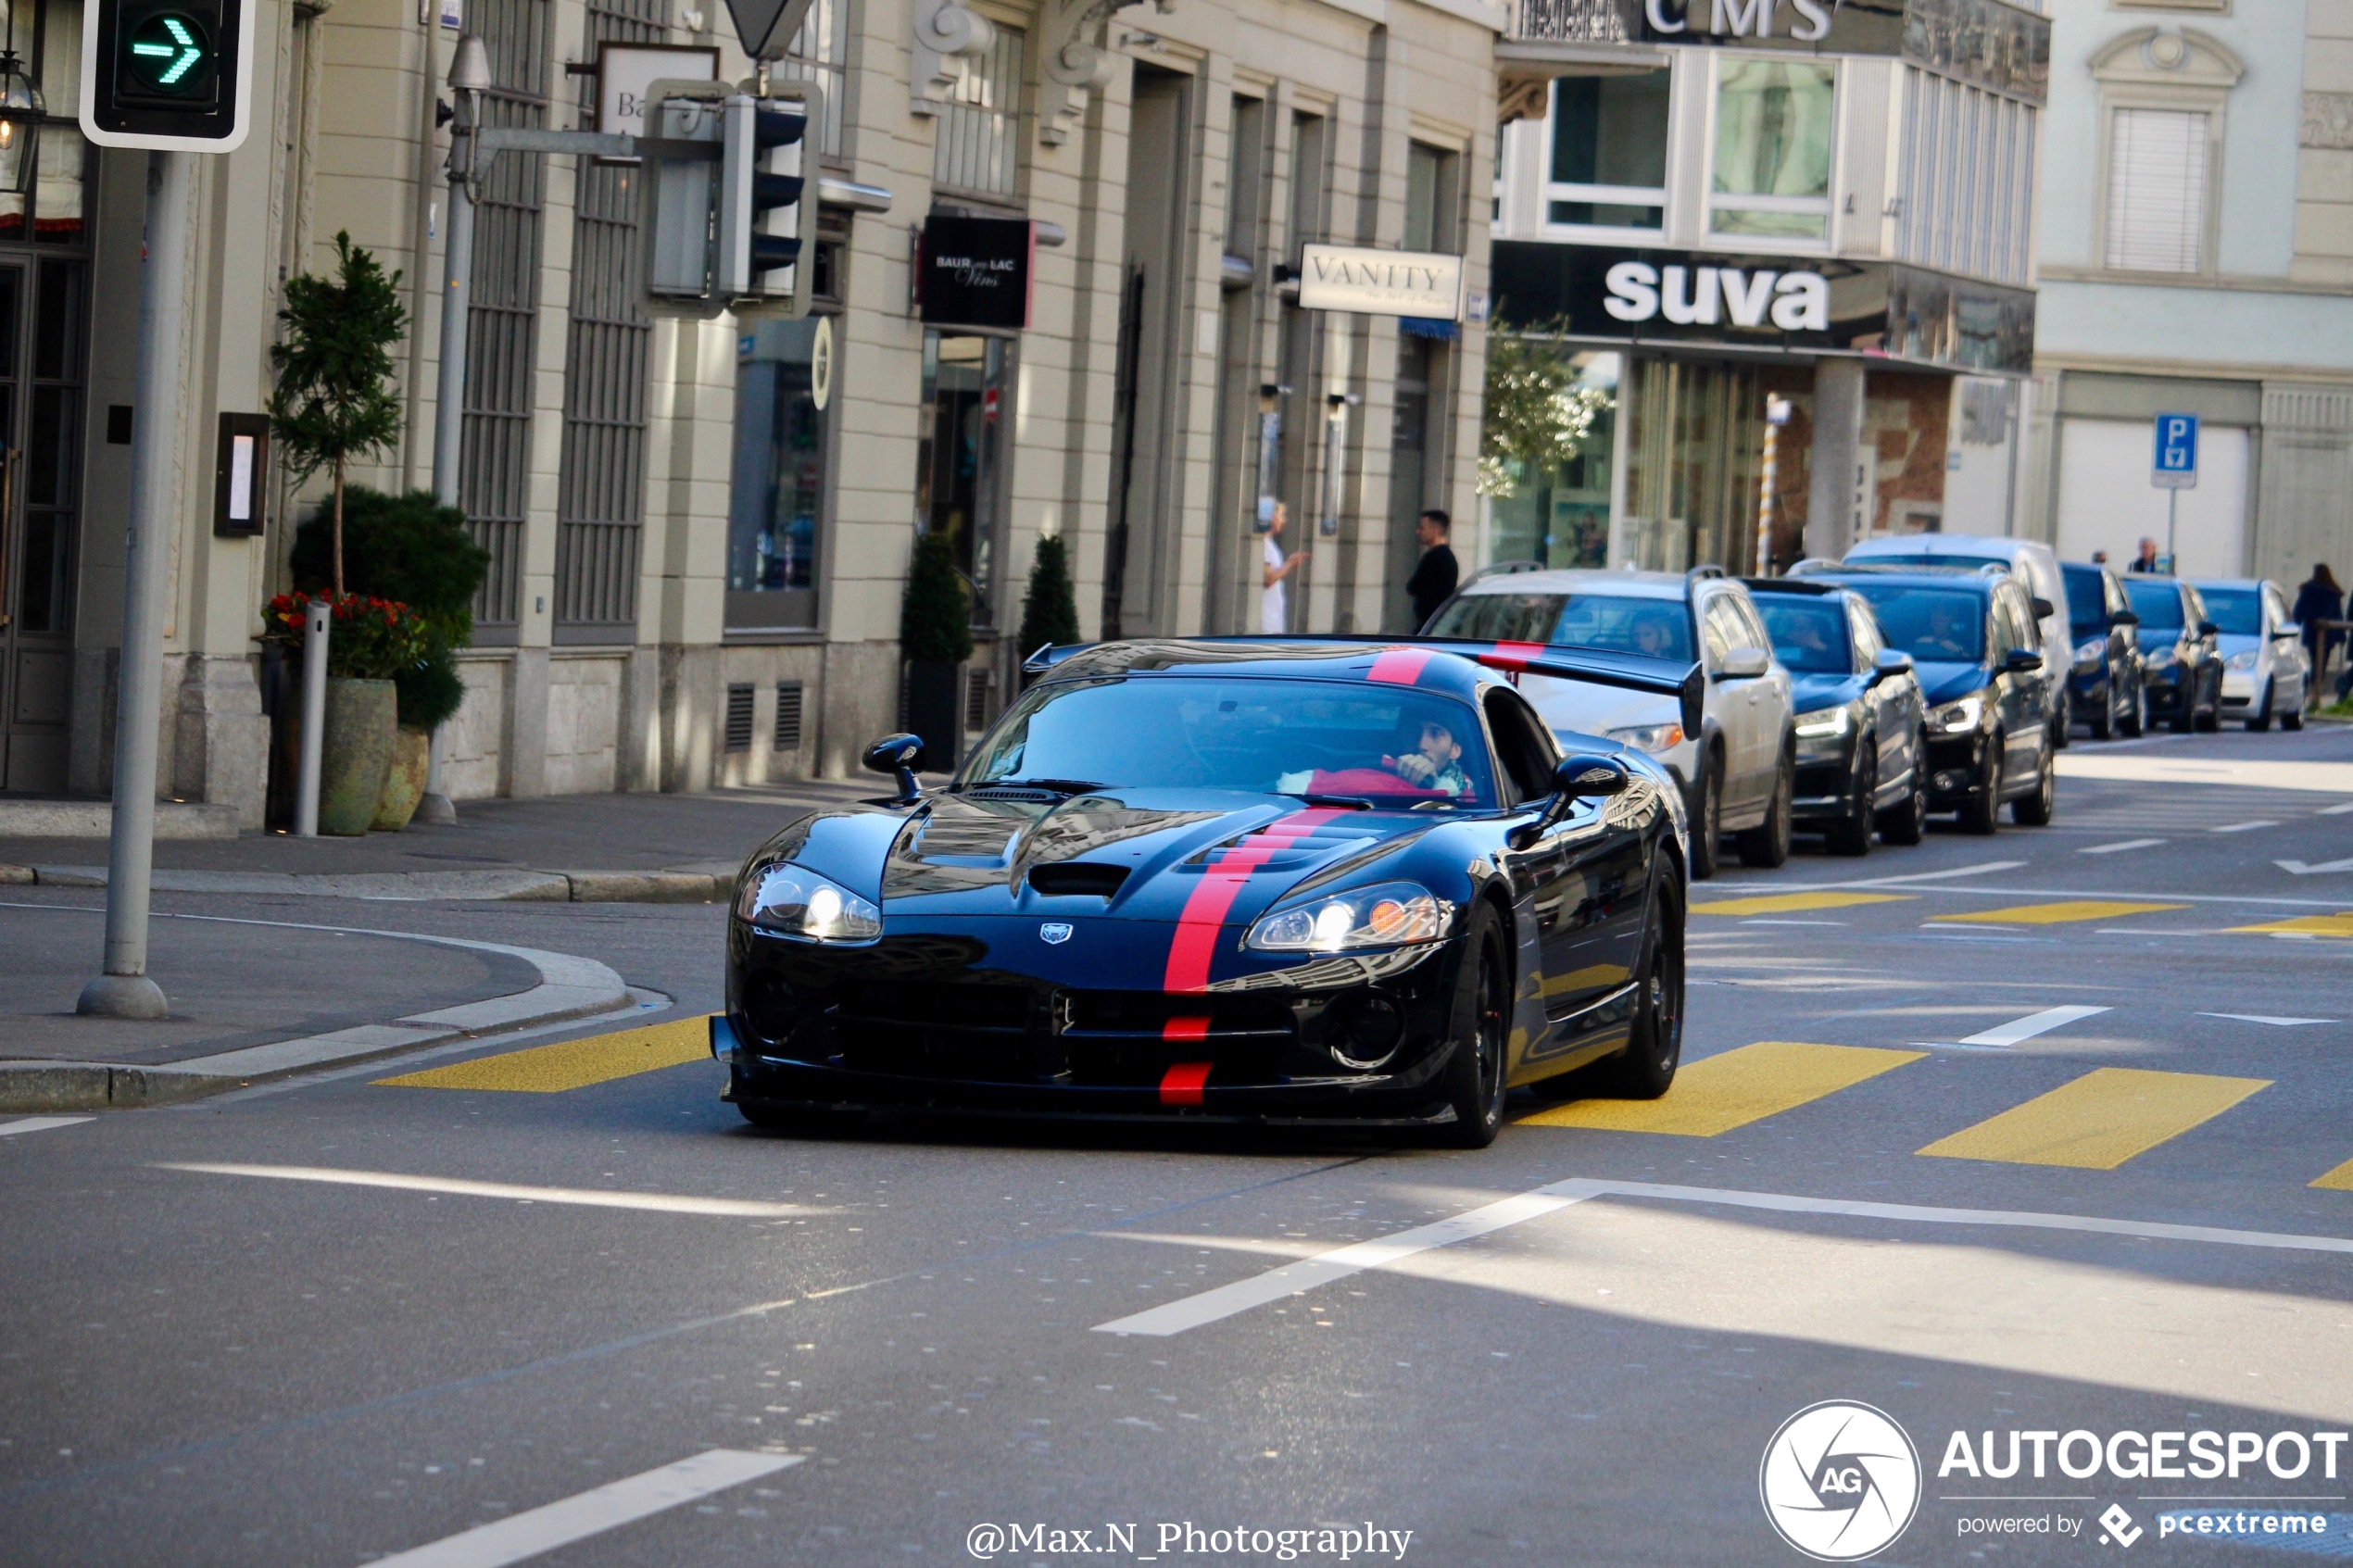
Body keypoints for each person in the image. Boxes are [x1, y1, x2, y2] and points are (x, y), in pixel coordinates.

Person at [2293, 563, 2345, 703]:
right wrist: (2341, 636)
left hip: (2311, 632)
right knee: (2322, 663)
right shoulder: (2333, 592)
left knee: (2313, 660)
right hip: (2329, 634)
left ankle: (2311, 691)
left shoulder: (2308, 590)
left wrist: (2294, 626)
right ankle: (2316, 691)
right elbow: (2337, 615)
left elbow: (2299, 610)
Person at [1383, 718, 1470, 797]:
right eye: (1414, 732)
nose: (1421, 745)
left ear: (1454, 750)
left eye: (1436, 733)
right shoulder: (1382, 771)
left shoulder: (1465, 794)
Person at [1405, 509, 1459, 629]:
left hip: (1430, 624)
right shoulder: (1447, 556)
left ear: (1434, 531)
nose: (1417, 531)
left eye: (1422, 528)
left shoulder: (1434, 557)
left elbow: (1413, 586)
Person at [1260, 503, 1307, 634]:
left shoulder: (1270, 545)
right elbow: (1268, 579)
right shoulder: (1263, 545)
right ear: (1271, 517)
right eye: (1280, 515)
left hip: (1273, 616)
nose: (1283, 520)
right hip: (1266, 618)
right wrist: (1290, 563)